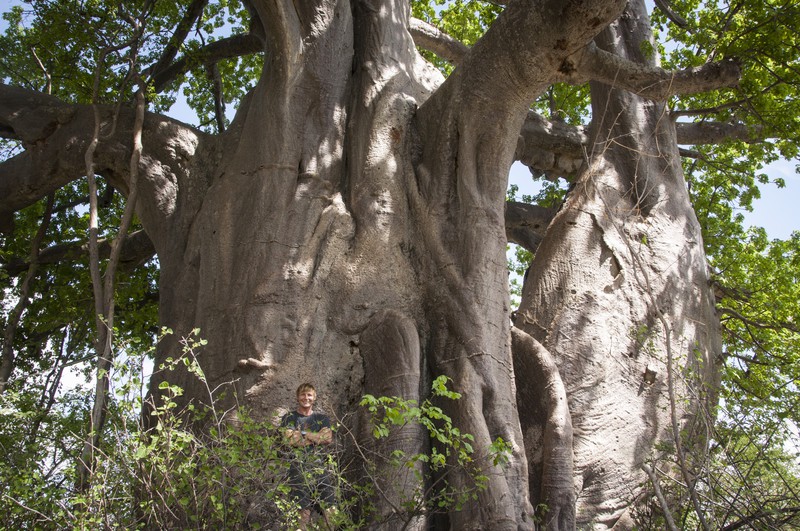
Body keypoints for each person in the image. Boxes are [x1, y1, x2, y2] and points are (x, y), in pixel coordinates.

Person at [281, 383, 335, 529]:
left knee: (330, 508)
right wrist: (316, 437)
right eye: (303, 395)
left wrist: (303, 434)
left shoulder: (322, 418)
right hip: (297, 466)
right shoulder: (289, 418)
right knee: (302, 510)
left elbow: (327, 439)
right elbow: (290, 440)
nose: (306, 398)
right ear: (297, 397)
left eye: (309, 395)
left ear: (314, 397)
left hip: (318, 466)